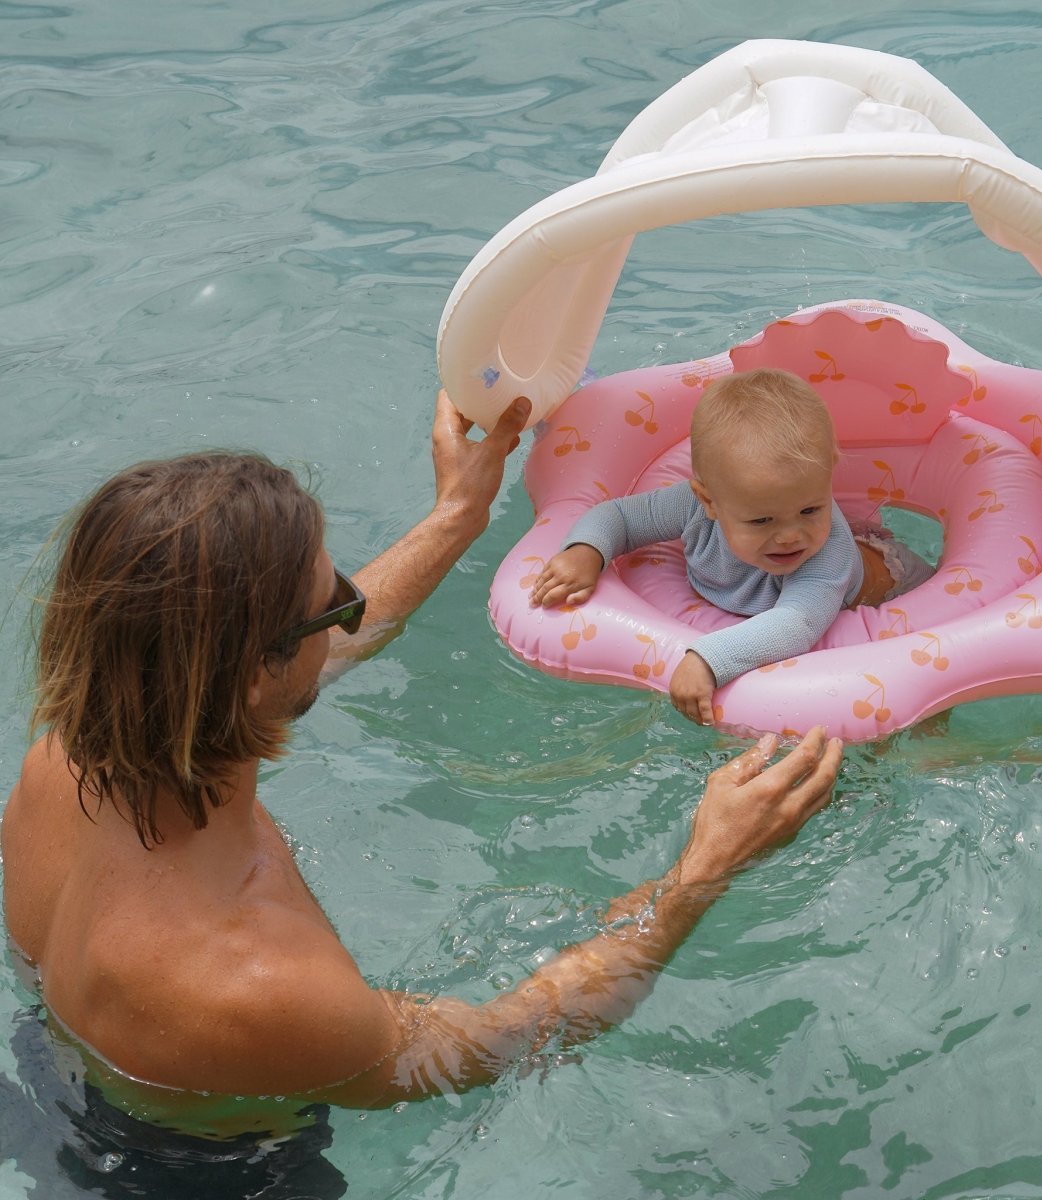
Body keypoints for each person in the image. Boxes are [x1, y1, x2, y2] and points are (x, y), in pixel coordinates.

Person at [2, 390, 843, 1147]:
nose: (349, 608)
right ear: (255, 673)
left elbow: (315, 651)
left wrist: (458, 514)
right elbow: (500, 1043)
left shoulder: (72, 761)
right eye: (332, 596)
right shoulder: (253, 984)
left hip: (49, 1070)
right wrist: (705, 868)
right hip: (203, 1169)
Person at [531, 367, 936, 725]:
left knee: (907, 715)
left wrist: (709, 659)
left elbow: (797, 623)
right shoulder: (691, 507)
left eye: (811, 509)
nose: (791, 535)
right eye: (762, 521)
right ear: (709, 501)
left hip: (896, 585)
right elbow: (618, 517)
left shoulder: (826, 555)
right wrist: (585, 552)